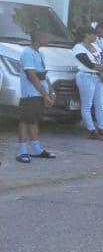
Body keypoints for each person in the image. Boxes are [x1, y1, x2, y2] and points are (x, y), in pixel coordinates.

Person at [17, 29, 56, 164]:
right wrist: (45, 95)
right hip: (30, 93)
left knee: (33, 120)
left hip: (38, 93)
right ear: (38, 38)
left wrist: (51, 90)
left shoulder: (40, 53)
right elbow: (32, 76)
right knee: (25, 120)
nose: (48, 39)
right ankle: (22, 151)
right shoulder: (27, 53)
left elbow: (43, 75)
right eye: (46, 36)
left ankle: (36, 149)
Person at [73, 25, 103, 140]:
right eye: (94, 34)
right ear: (87, 35)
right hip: (86, 76)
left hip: (98, 77)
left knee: (100, 104)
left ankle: (102, 128)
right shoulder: (78, 47)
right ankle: (92, 130)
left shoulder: (95, 46)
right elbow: (88, 64)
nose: (96, 36)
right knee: (87, 105)